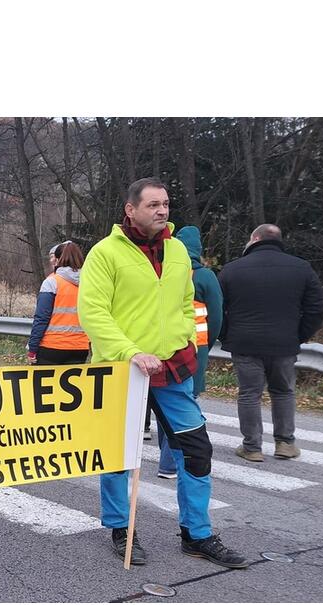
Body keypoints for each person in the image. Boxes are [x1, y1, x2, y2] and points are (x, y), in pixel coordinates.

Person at [78, 177, 247, 569]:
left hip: (173, 369)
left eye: (166, 204)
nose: (162, 211)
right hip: (122, 371)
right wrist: (131, 352)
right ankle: (123, 530)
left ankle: (197, 534)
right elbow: (94, 313)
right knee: (119, 455)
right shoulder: (105, 253)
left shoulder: (176, 253)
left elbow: (187, 304)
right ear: (131, 210)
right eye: (153, 204)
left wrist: (183, 337)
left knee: (196, 450)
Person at [218, 223, 323, 462]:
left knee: (249, 394)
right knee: (283, 391)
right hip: (284, 343)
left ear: (255, 238)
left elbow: (217, 309)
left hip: (244, 343)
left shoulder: (232, 269)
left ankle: (252, 447)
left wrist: (227, 335)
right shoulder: (301, 268)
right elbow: (317, 310)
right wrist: (298, 335)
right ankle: (285, 443)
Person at [152, 225, 223, 479]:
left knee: (165, 402)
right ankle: (172, 461)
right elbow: (216, 316)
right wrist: (205, 344)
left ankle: (167, 458)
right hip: (194, 349)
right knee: (184, 405)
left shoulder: (164, 267)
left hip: (165, 346)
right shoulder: (205, 276)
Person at [27, 240, 89, 366]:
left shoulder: (52, 282)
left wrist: (32, 349)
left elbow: (41, 318)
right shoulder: (89, 283)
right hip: (80, 347)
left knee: (43, 385)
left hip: (52, 347)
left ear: (58, 259)